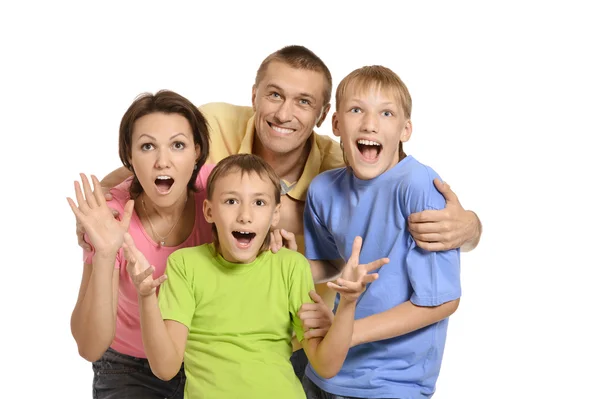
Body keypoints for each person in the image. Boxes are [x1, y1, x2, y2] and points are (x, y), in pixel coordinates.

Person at [79, 45, 483, 379]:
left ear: (325, 116)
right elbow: (158, 153)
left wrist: (471, 228)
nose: (284, 113)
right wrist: (98, 204)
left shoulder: (335, 168)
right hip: (195, 339)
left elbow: (396, 182)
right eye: (274, 95)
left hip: (289, 341)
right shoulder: (216, 124)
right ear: (254, 94)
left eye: (303, 102)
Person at [121, 153, 387, 398]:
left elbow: (326, 365)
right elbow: (165, 368)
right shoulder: (185, 265)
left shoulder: (292, 266)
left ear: (275, 215)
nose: (245, 215)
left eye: (259, 202)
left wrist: (348, 305)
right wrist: (146, 298)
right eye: (231, 201)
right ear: (209, 211)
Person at [300, 65, 462, 399]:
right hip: (321, 374)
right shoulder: (322, 190)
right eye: (356, 109)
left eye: (386, 113)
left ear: (405, 130)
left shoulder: (418, 186)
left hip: (390, 384)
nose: (370, 123)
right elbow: (333, 264)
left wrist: (346, 333)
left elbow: (442, 301)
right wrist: (282, 261)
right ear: (336, 124)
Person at [67, 90, 213, 398]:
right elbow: (89, 346)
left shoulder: (216, 194)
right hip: (130, 366)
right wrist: (105, 253)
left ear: (197, 152)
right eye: (148, 146)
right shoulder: (113, 215)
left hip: (204, 357)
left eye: (178, 145)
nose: (163, 162)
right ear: (130, 157)